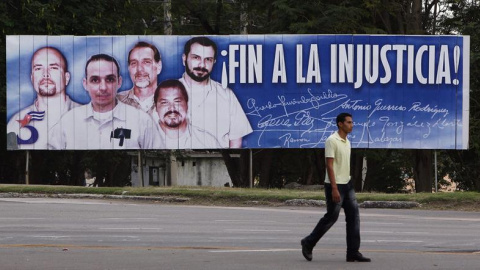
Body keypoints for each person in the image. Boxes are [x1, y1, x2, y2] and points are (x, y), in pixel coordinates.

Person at [48, 54, 164, 150]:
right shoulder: (68, 121)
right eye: (95, 80)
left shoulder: (141, 121)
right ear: (85, 84)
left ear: (119, 82)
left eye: (109, 79)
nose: (103, 87)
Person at [300, 113, 371, 263]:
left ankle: (353, 252)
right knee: (331, 217)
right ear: (340, 124)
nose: (352, 125)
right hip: (335, 185)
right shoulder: (332, 140)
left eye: (352, 122)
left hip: (347, 184)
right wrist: (334, 188)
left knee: (354, 218)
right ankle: (308, 242)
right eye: (349, 122)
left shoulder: (347, 141)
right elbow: (329, 165)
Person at [179, 36, 252, 148]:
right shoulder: (165, 92)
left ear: (214, 62)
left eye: (208, 59)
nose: (202, 65)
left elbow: (236, 140)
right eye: (196, 58)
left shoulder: (226, 95)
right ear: (184, 58)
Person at [7, 46, 80, 149]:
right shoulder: (16, 122)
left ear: (66, 78)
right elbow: (12, 159)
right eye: (38, 68)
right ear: (32, 78)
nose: (45, 74)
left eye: (53, 68)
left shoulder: (86, 116)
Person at [153, 79, 221, 149]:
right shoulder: (146, 141)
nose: (172, 108)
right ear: (155, 107)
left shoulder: (208, 141)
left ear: (187, 104)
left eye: (177, 101)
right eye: (164, 103)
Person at [117, 41, 162, 114]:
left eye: (146, 62)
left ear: (159, 66)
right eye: (134, 63)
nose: (139, 69)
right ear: (129, 68)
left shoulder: (172, 101)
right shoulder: (115, 102)